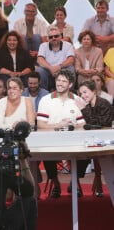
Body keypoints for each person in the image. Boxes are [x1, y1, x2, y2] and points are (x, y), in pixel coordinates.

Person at [37, 70, 87, 198]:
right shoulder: (46, 99)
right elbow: (40, 125)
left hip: (73, 139)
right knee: (46, 153)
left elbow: (83, 124)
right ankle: (56, 183)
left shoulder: (77, 100)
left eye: (64, 81)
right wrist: (58, 125)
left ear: (70, 85)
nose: (60, 83)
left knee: (85, 154)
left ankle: (74, 182)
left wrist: (73, 125)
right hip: (52, 139)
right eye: (58, 80)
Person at [77, 80, 114, 197]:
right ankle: (75, 181)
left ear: (93, 91)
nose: (83, 95)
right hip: (93, 141)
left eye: (85, 92)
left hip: (107, 142)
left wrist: (83, 109)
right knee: (78, 155)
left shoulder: (103, 103)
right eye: (81, 93)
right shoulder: (88, 106)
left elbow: (102, 123)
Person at [37, 26, 75, 91]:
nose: (53, 38)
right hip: (48, 70)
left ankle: (69, 92)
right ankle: (43, 93)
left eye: (56, 36)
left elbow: (71, 60)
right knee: (40, 70)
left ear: (61, 37)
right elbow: (40, 59)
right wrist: (50, 68)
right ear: (48, 39)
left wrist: (58, 67)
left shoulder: (68, 45)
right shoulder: (43, 45)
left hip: (63, 69)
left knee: (71, 69)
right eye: (51, 37)